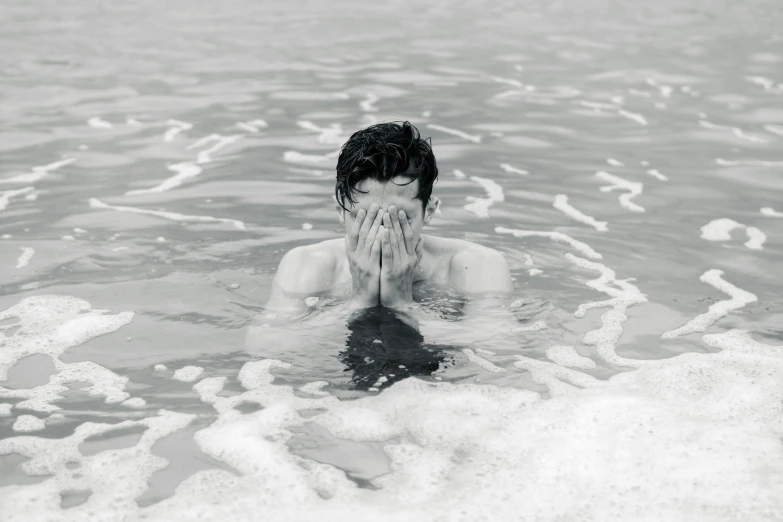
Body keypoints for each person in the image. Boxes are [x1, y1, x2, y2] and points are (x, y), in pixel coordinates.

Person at [266, 120, 513, 315]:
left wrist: (400, 301)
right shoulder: (307, 264)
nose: (382, 235)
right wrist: (361, 299)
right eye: (365, 218)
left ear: (429, 210)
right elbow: (269, 349)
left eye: (400, 219)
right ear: (340, 209)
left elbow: (498, 349)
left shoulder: (477, 265)